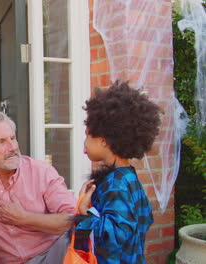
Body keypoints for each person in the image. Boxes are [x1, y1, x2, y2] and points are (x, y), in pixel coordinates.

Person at [0, 110, 77, 264]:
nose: (12, 147)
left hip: (52, 255)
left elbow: (72, 220)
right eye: (2, 141)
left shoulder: (42, 172)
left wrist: (24, 218)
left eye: (13, 138)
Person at [76, 81, 161, 263]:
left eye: (88, 134)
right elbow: (145, 219)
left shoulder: (116, 183)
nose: (84, 142)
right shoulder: (129, 177)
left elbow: (115, 236)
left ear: (105, 140)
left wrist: (84, 212)